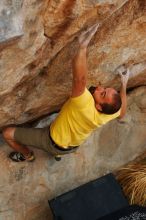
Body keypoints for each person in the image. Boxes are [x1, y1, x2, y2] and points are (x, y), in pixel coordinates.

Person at [2, 24, 129, 162]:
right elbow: (122, 112)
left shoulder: (85, 105)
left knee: (7, 133)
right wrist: (124, 84)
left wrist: (82, 47)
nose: (99, 89)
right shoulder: (107, 113)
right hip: (72, 146)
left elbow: (79, 80)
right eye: (105, 89)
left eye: (102, 94)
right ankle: (58, 155)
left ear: (98, 106)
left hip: (49, 140)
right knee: (62, 144)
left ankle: (28, 155)